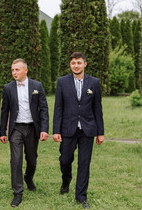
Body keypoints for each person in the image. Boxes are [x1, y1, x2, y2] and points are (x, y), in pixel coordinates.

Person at [53, 52, 104, 209]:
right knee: (65, 160)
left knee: (84, 163)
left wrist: (100, 132)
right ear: (70, 65)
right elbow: (58, 108)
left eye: (79, 62)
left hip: (87, 129)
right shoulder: (62, 82)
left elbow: (98, 108)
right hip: (68, 128)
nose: (76, 65)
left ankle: (81, 196)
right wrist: (56, 130)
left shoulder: (94, 83)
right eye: (73, 63)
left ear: (85, 64)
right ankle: (66, 180)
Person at [0, 58, 49, 207]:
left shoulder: (37, 86)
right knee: (16, 160)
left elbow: (44, 109)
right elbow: (4, 111)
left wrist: (44, 129)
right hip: (16, 129)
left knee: (32, 159)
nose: (14, 72)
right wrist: (3, 131)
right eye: (13, 70)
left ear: (25, 70)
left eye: (17, 70)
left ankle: (28, 177)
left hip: (32, 128)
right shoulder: (8, 88)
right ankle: (17, 192)